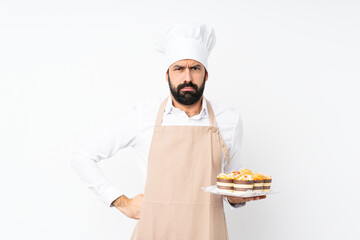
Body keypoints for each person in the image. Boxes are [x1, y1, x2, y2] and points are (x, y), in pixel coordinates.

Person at [71, 23, 266, 240]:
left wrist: (238, 197)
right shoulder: (143, 116)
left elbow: (232, 182)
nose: (187, 78)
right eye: (179, 68)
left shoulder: (229, 120)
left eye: (195, 68)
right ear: (167, 75)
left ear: (206, 74)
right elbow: (83, 156)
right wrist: (120, 201)